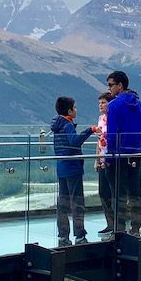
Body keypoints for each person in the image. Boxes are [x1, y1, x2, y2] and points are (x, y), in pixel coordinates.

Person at [103, 70, 141, 237]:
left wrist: (110, 155)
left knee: (118, 193)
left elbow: (113, 133)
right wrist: (140, 149)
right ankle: (136, 227)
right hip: (136, 154)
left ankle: (119, 229)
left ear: (120, 86)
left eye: (111, 85)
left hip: (119, 155)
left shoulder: (113, 105)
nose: (109, 89)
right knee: (136, 192)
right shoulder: (139, 104)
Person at [50, 96, 94, 246]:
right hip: (73, 167)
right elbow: (74, 141)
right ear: (69, 111)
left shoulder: (57, 125)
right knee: (77, 202)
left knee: (62, 202)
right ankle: (80, 235)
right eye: (74, 108)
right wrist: (90, 130)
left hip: (61, 167)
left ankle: (63, 235)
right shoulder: (67, 125)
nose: (76, 110)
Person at [95, 91, 115, 235]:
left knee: (114, 191)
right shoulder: (101, 118)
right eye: (99, 103)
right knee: (103, 192)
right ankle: (109, 222)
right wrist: (97, 158)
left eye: (103, 102)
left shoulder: (114, 118)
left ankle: (118, 223)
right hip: (102, 159)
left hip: (112, 159)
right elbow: (99, 139)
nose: (100, 105)